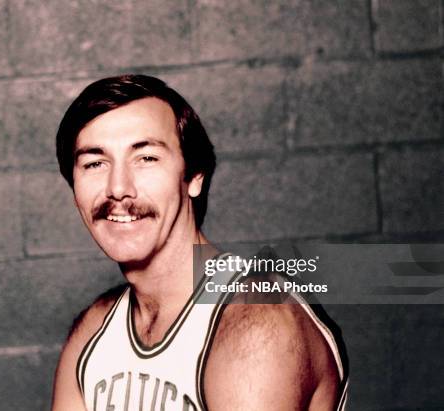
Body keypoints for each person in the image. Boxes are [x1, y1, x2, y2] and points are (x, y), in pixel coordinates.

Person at [51, 74, 348, 410]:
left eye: (146, 158)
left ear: (194, 177)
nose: (118, 188)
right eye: (95, 163)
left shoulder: (257, 322)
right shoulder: (95, 330)